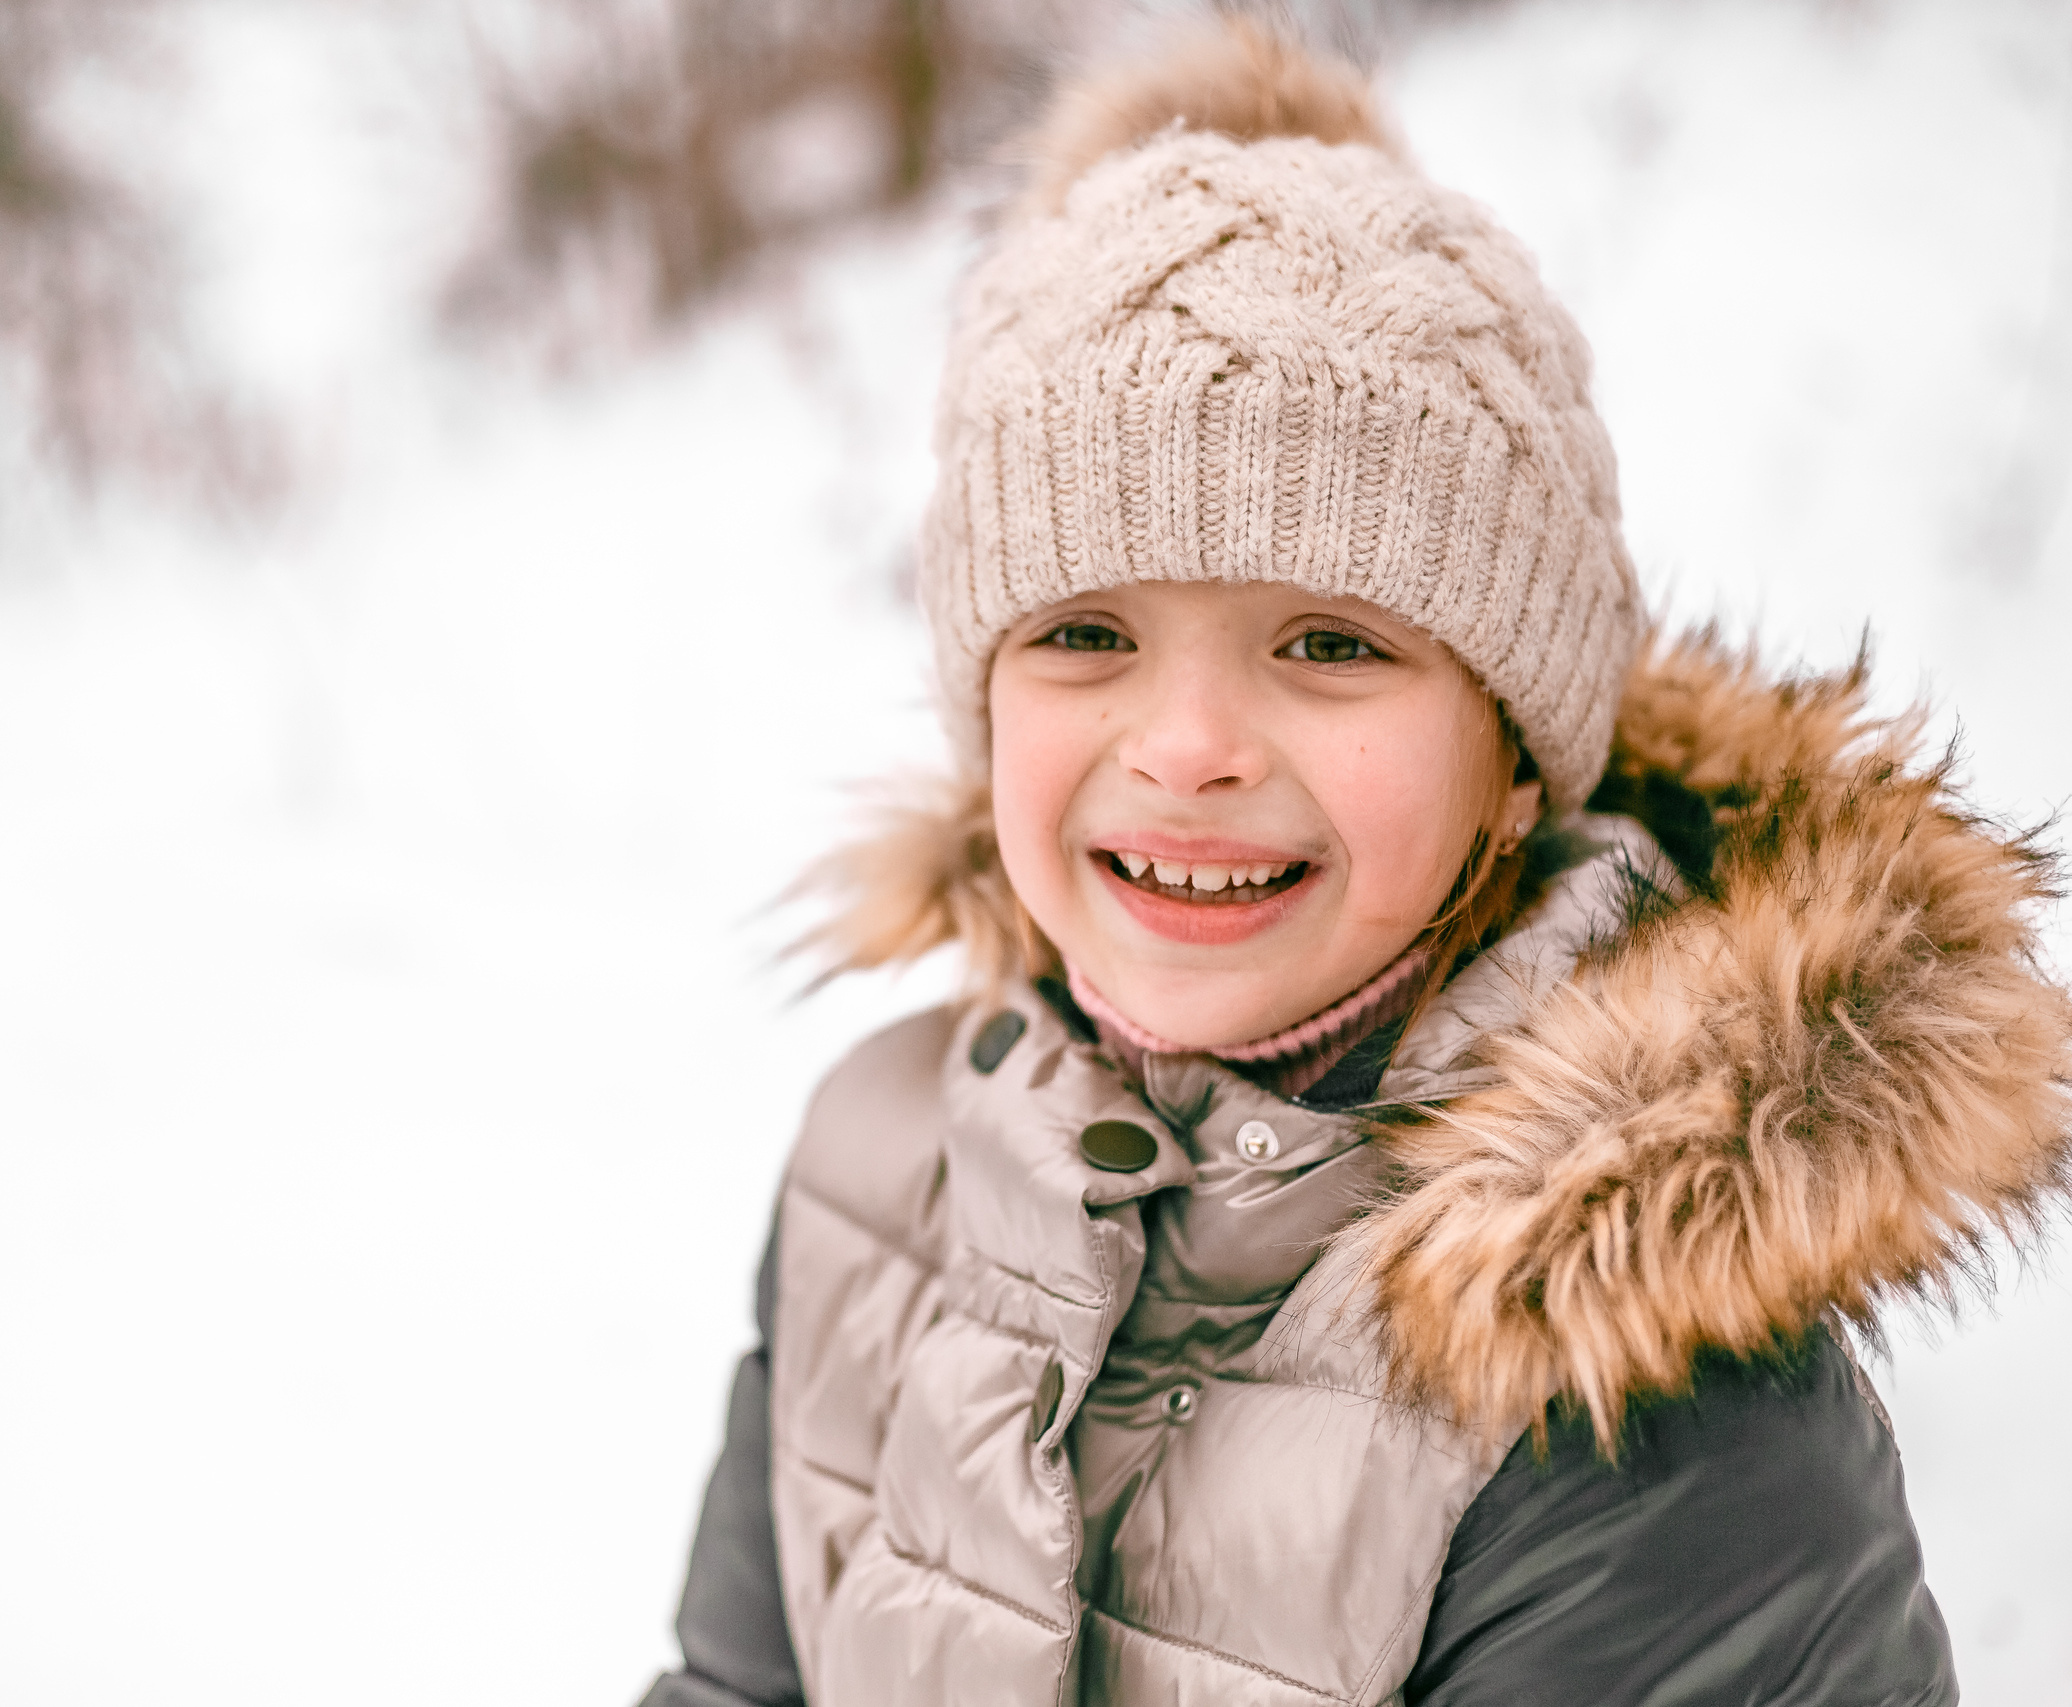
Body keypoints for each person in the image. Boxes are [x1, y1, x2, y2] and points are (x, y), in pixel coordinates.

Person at [641, 20, 2068, 1707]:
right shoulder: (882, 1171)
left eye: (1327, 643)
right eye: (1088, 630)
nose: (1186, 747)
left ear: (1515, 763)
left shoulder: (1635, 1408)